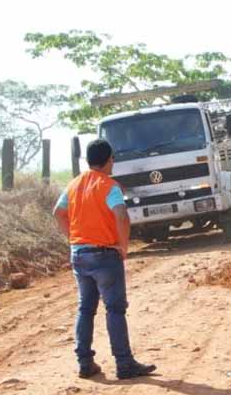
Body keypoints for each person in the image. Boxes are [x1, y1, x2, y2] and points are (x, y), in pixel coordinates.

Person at [52, 139, 157, 380]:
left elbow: (58, 213)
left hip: (79, 253)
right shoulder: (109, 186)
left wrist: (73, 239)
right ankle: (124, 363)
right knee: (115, 309)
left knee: (85, 308)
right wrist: (122, 245)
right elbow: (121, 215)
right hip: (104, 254)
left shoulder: (74, 185)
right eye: (113, 159)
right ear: (109, 159)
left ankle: (85, 362)